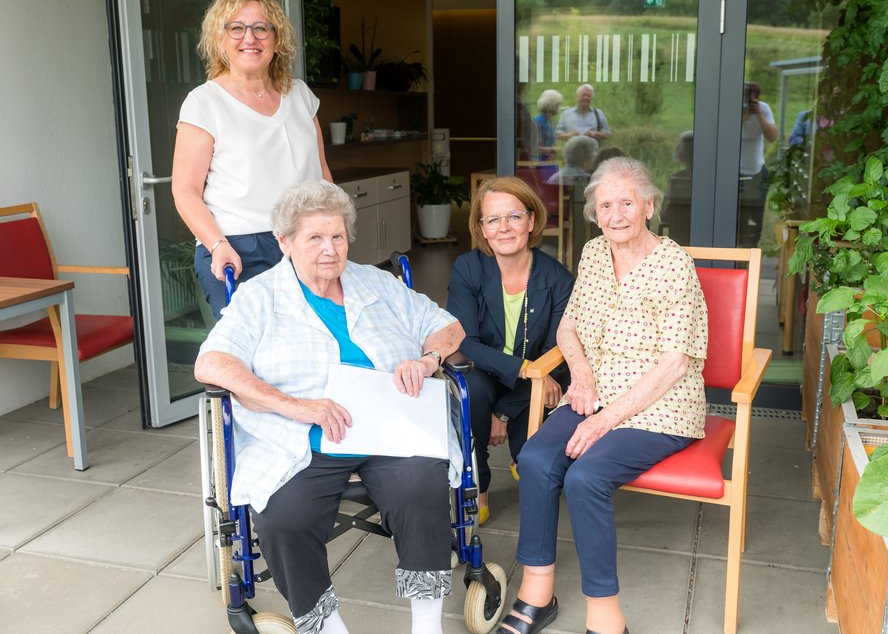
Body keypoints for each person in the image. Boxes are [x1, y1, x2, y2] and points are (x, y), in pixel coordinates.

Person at [195, 181, 464, 634]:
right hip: (300, 438)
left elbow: (446, 326)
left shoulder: (377, 282)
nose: (329, 249)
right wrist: (295, 406)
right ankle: (326, 624)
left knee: (422, 487)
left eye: (337, 237)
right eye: (314, 238)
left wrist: (427, 359)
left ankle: (427, 624)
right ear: (284, 242)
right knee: (285, 517)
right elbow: (213, 363)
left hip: (387, 428)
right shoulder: (259, 297)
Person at [495, 157, 707, 634]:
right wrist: (582, 374)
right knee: (534, 459)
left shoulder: (673, 264)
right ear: (594, 212)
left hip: (659, 404)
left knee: (586, 478)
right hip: (596, 392)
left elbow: (674, 363)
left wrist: (605, 418)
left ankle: (606, 616)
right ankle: (537, 590)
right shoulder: (594, 253)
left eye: (626, 203)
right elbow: (569, 325)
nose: (616, 215)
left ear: (648, 206)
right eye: (605, 205)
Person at [173, 0, 333, 320]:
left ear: (277, 40)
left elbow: (322, 173)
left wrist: (333, 232)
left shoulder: (300, 95)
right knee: (254, 359)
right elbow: (185, 192)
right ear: (220, 39)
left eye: (261, 28)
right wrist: (218, 245)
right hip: (238, 246)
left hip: (305, 239)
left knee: (316, 349)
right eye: (237, 28)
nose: (250, 37)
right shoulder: (205, 102)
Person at [446, 177, 574, 526]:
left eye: (514, 217)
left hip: (534, 382)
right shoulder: (468, 268)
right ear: (482, 229)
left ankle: (519, 448)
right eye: (493, 220)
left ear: (531, 222)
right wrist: (521, 369)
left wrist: (501, 413)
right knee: (470, 394)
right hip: (485, 372)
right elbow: (465, 342)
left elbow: (555, 354)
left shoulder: (558, 279)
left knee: (531, 457)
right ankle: (479, 487)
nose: (504, 228)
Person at [738, 81, 777, 245]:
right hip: (735, 171)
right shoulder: (733, 107)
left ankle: (750, 251)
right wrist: (742, 116)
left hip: (756, 171)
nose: (749, 102)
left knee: (755, 216)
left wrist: (759, 115)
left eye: (753, 99)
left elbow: (772, 136)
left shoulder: (763, 109)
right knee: (736, 216)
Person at [533, 89, 563, 161]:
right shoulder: (538, 122)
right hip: (539, 162)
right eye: (558, 104)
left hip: (548, 160)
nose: (559, 107)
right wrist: (552, 150)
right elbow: (534, 148)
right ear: (552, 105)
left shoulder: (550, 121)